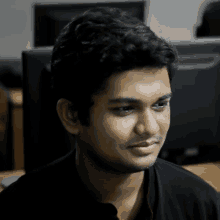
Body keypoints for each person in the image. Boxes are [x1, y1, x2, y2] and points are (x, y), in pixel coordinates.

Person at [0, 7, 219, 220]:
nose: (150, 128)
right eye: (125, 109)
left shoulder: (201, 204)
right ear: (71, 116)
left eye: (160, 105)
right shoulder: (16, 208)